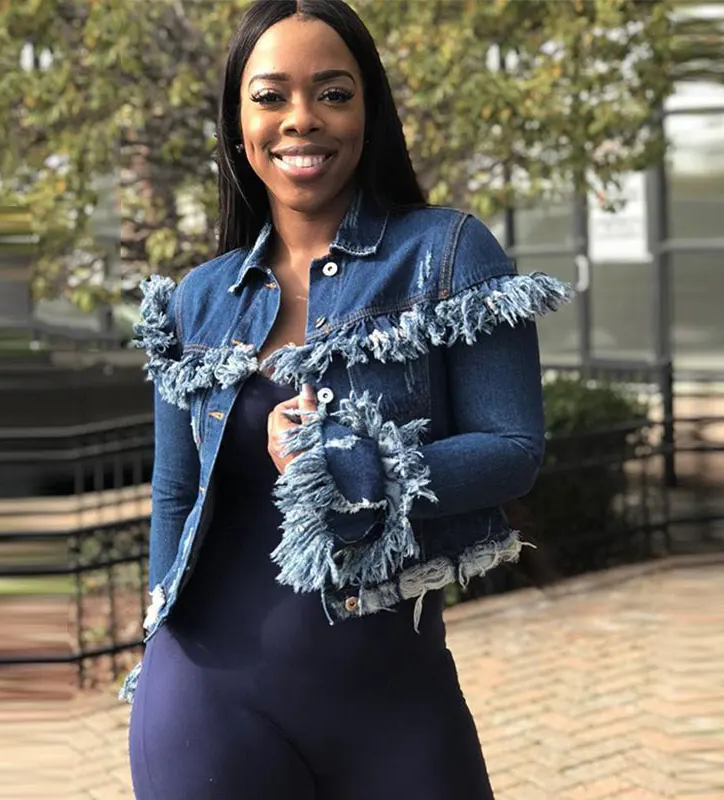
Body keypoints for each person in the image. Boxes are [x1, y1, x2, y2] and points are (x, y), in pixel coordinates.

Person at [121, 1, 572, 797]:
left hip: (394, 698)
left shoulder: (446, 253)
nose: (301, 118)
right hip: (207, 706)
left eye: (332, 93)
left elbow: (514, 449)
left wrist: (356, 466)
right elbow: (175, 492)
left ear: (370, 112)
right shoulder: (196, 300)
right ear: (238, 126)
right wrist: (157, 640)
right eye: (270, 96)